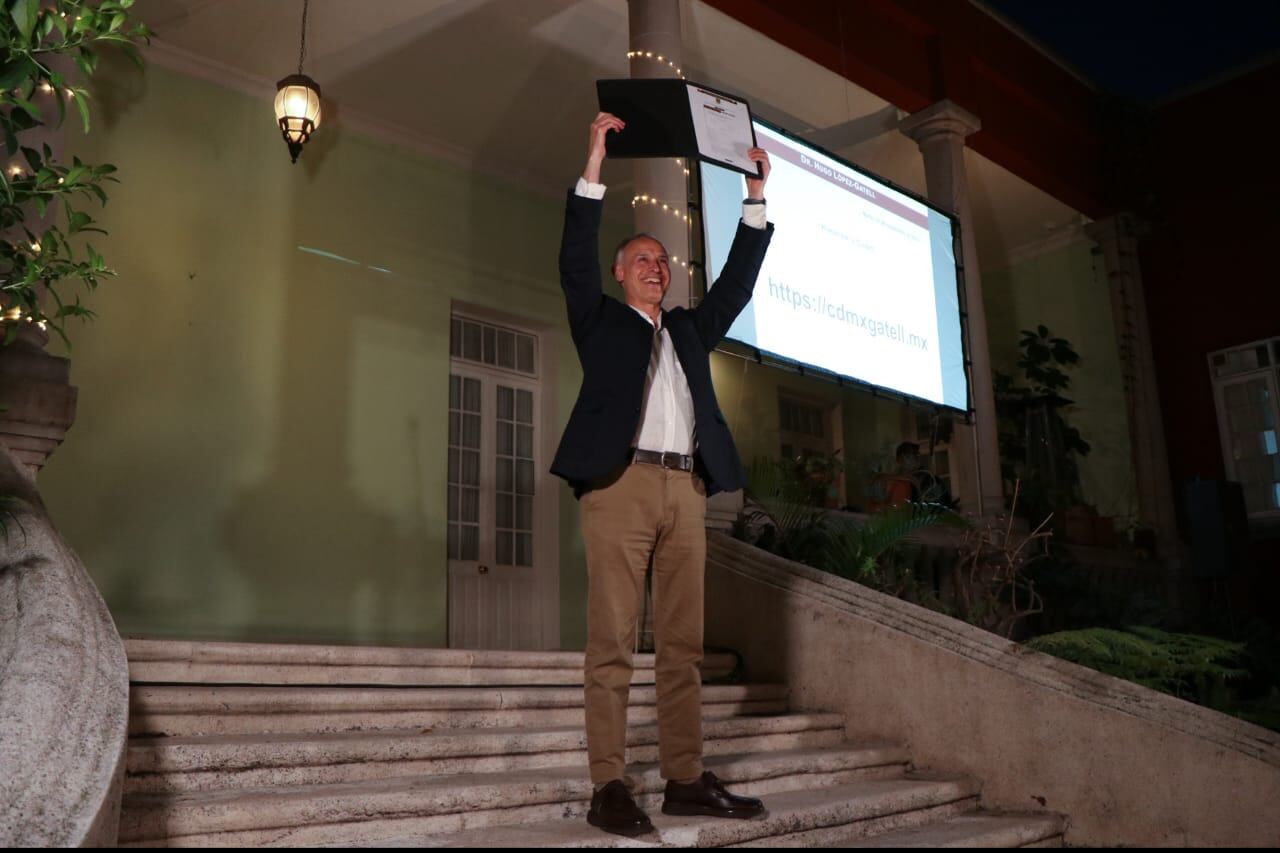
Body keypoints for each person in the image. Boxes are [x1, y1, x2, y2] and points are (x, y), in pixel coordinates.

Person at [551, 112, 774, 838]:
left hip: (687, 488)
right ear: (621, 273)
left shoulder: (687, 329)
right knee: (613, 642)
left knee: (683, 646)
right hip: (622, 485)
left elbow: (735, 287)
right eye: (641, 258)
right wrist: (594, 163)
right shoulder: (599, 321)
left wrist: (754, 199)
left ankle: (684, 777)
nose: (656, 266)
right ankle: (608, 784)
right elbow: (575, 259)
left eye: (663, 260)